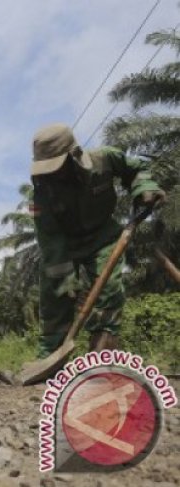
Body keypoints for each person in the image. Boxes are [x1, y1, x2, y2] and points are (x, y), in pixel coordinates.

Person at [31, 123, 165, 357]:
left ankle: (102, 352)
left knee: (110, 291)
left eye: (56, 166)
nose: (51, 173)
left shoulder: (104, 159)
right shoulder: (43, 191)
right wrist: (66, 284)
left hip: (102, 238)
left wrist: (144, 187)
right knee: (56, 296)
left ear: (73, 155)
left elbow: (137, 169)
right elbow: (51, 241)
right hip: (65, 246)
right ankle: (50, 357)